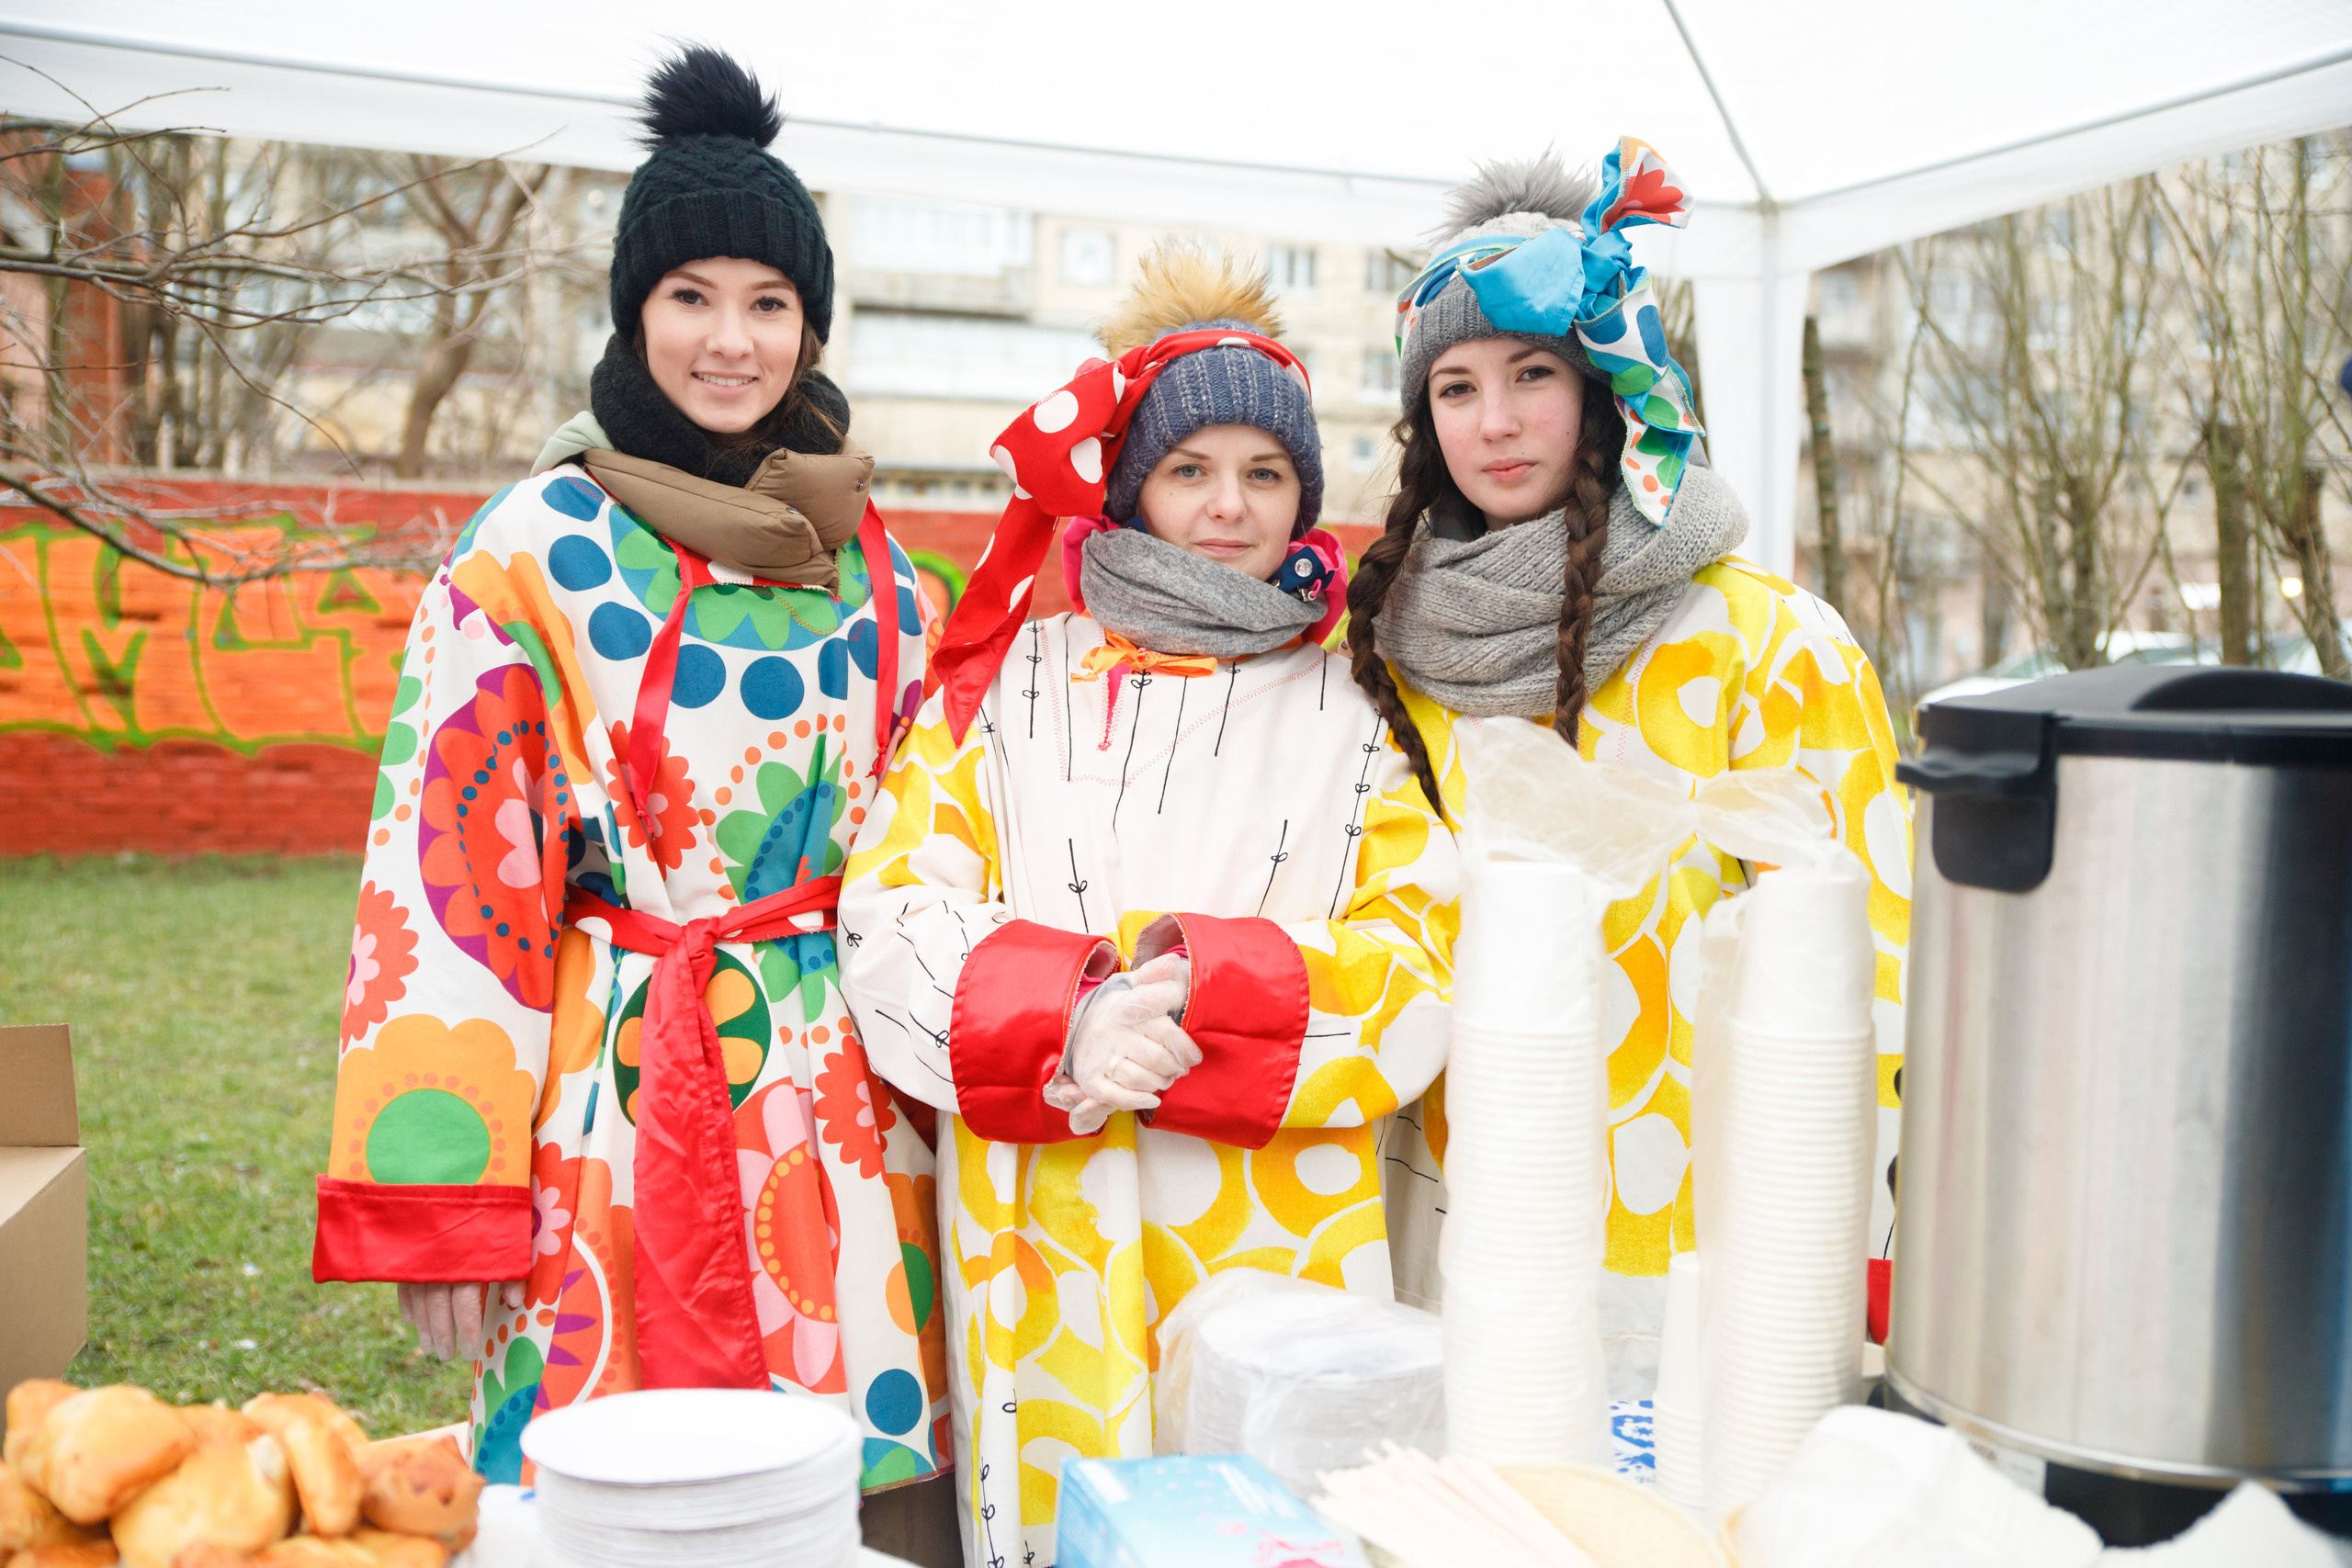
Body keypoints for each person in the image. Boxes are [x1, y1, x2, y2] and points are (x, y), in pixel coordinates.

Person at [311, 47, 956, 1558]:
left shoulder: (883, 572)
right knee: (615, 1492)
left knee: (846, 1501)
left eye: (768, 303)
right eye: (691, 296)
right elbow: (443, 882)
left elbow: (944, 862)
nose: (730, 342)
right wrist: (445, 1198)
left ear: (811, 324)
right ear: (633, 308)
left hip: (844, 1123)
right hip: (605, 1095)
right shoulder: (530, 551)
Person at [838, 248, 1457, 1567]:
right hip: (1040, 1215)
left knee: (1280, 1521)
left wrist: (1211, 996)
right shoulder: (1011, 680)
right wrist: (1061, 1018)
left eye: (1264, 473)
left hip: (1277, 1238)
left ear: (1303, 495)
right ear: (1131, 488)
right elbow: (892, 901)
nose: (1228, 507)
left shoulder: (1360, 705)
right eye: (1190, 470)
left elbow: (1420, 953)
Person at [1347, 142, 1913, 1388]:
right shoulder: (1398, 648)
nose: (1492, 422)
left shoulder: (1772, 641)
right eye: (1455, 386)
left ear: (1609, 378)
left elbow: (1874, 969)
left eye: (1531, 373)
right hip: (1458, 1214)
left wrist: (1850, 1249)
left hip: (1710, 1243)